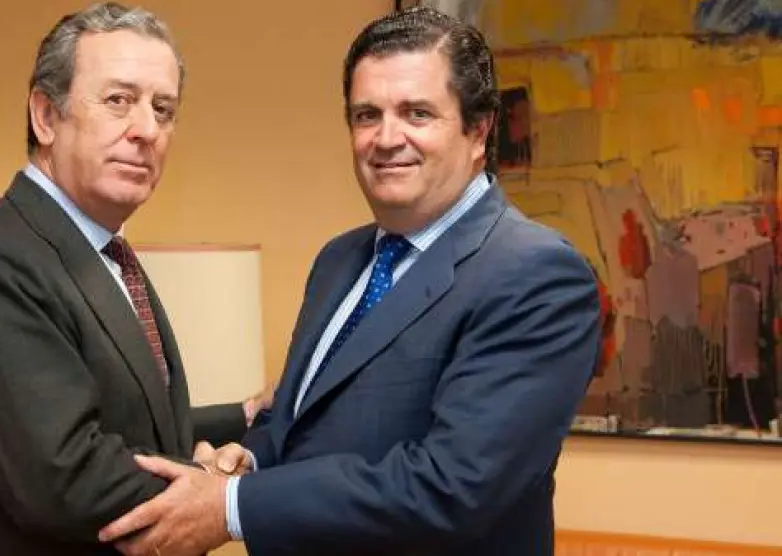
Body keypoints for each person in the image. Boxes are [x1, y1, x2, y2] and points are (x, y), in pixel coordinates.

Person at [97, 6, 602, 556]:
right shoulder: (339, 260)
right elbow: (296, 419)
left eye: (417, 114)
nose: (386, 138)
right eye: (367, 115)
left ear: (478, 130)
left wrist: (234, 505)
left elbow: (452, 487)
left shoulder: (535, 274)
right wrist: (251, 459)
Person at [0, 3, 268, 555]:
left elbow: (130, 425)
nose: (147, 130)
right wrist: (219, 492)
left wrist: (240, 418)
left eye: (163, 109)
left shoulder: (103, 250)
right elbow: (64, 475)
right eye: (119, 100)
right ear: (45, 116)